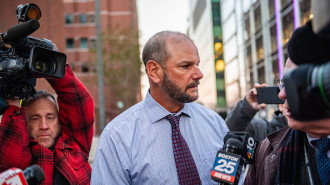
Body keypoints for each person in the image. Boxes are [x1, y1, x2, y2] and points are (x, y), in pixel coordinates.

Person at [91, 31, 229, 184]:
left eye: (197, 65)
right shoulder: (117, 137)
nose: (199, 74)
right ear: (154, 71)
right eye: (185, 66)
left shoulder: (215, 123)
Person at [0, 64, 95, 185]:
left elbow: (79, 101)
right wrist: (14, 102)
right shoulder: (19, 154)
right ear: (24, 123)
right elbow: (12, 159)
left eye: (50, 117)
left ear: (59, 123)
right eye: (35, 118)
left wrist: (51, 66)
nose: (44, 126)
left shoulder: (73, 145)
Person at [243, 57, 330, 185]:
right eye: (283, 83)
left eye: (294, 82)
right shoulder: (266, 149)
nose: (281, 95)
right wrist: (245, 108)